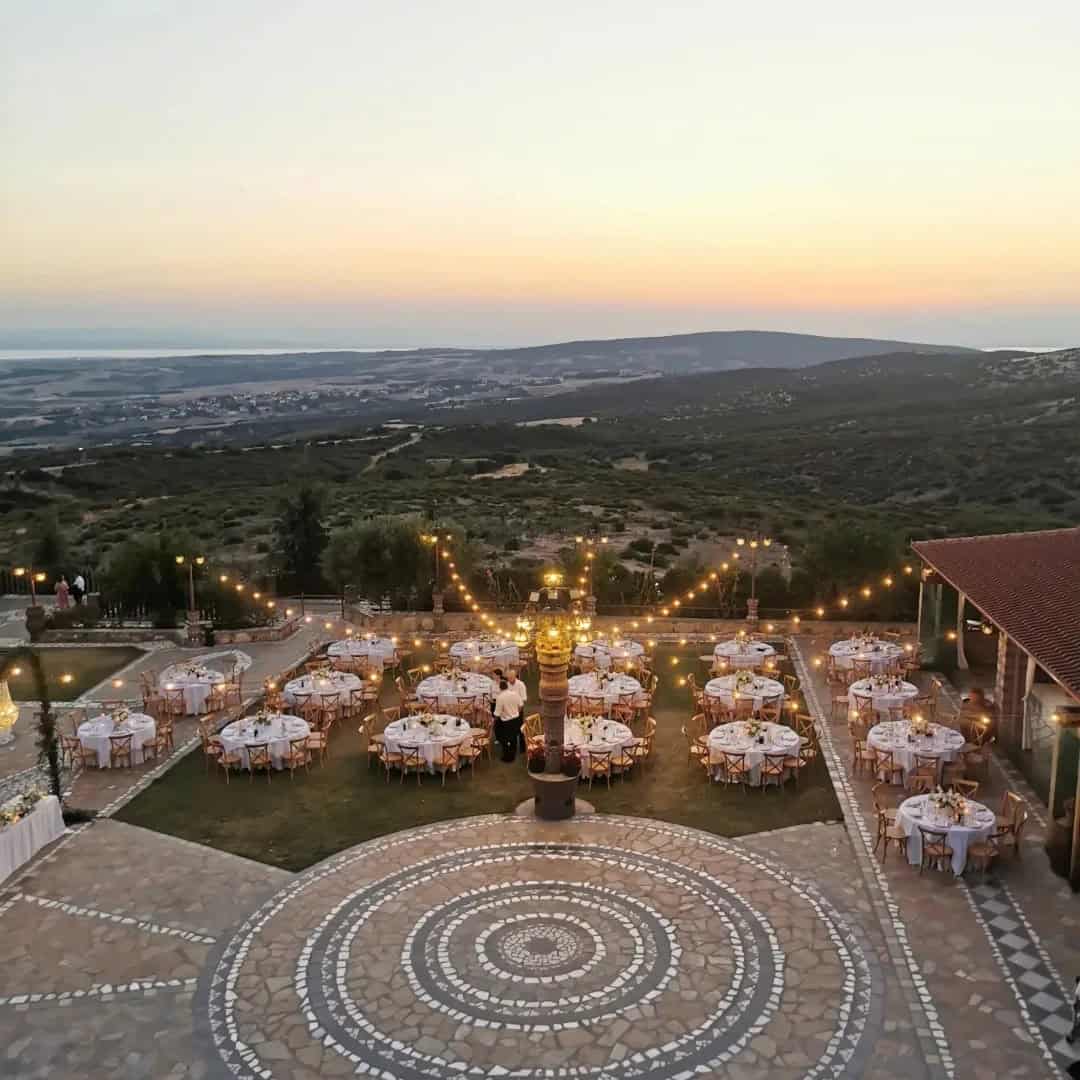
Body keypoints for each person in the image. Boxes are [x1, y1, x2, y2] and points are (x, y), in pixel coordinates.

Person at [493, 678, 522, 762]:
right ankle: (513, 753)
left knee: (505, 739)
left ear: (500, 688)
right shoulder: (515, 694)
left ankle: (507, 757)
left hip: (506, 722)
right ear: (507, 686)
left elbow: (497, 713)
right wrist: (516, 712)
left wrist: (494, 721)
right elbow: (520, 706)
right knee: (514, 737)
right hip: (516, 719)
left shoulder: (500, 697)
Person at [506, 668, 528, 751]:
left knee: (520, 729)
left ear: (515, 676)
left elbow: (523, 699)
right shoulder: (506, 685)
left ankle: (523, 747)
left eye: (511, 677)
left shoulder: (521, 684)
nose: (510, 679)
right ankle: (512, 747)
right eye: (509, 677)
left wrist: (518, 712)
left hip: (518, 709)